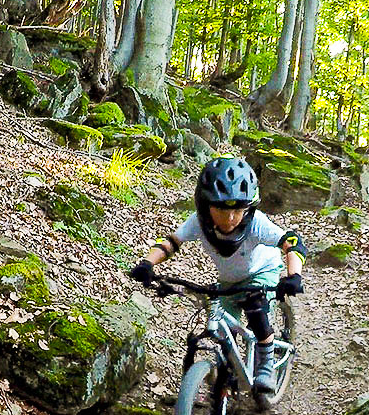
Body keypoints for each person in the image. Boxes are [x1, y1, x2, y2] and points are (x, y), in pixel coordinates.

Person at [128, 157, 305, 394]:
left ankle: (266, 366)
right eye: (221, 209)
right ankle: (227, 375)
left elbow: (292, 242)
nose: (230, 218)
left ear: (248, 208)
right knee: (224, 332)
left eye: (238, 210)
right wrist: (147, 264)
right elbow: (172, 242)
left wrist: (293, 275)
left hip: (262, 271)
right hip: (229, 280)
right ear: (206, 205)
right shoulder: (198, 223)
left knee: (256, 310)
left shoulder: (256, 223)